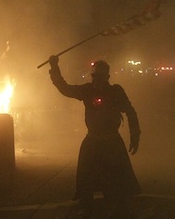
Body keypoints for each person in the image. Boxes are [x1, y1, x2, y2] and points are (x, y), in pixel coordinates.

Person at [48, 55, 141, 219]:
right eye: (95, 76)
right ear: (92, 77)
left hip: (112, 141)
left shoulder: (116, 92)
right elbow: (65, 88)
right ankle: (86, 206)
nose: (97, 80)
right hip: (93, 140)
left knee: (116, 178)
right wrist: (54, 68)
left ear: (107, 77)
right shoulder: (87, 90)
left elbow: (130, 112)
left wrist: (135, 135)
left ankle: (118, 206)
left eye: (100, 77)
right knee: (86, 178)